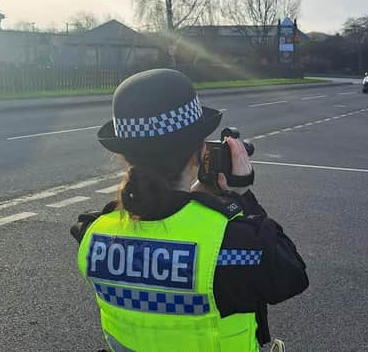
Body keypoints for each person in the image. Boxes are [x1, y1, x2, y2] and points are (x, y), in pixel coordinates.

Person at [70, 69, 308, 352]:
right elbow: (292, 276)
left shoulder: (93, 233)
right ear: (201, 151)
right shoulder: (234, 243)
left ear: (125, 155)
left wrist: (197, 198)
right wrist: (241, 197)